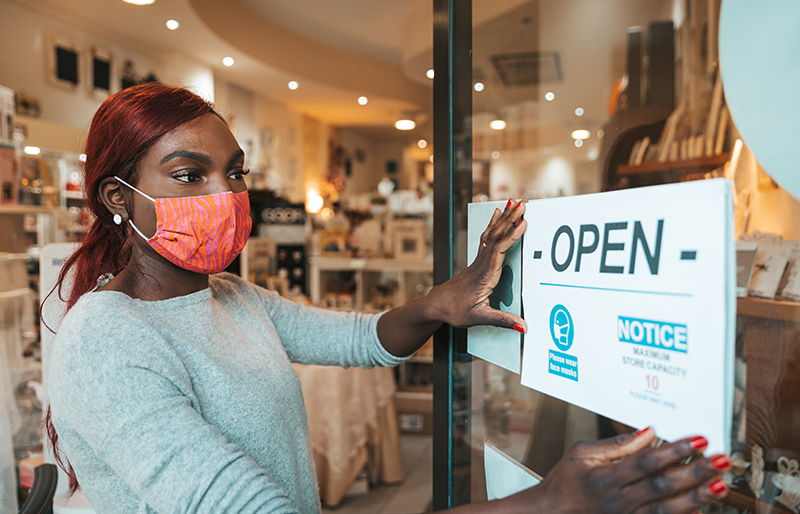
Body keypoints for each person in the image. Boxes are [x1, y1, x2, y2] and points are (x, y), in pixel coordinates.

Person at [45, 83, 730, 514]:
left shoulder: (231, 295)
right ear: (117, 197)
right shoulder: (105, 339)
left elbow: (357, 338)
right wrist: (549, 500)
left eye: (234, 172)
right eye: (189, 175)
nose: (223, 197)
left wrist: (441, 302)